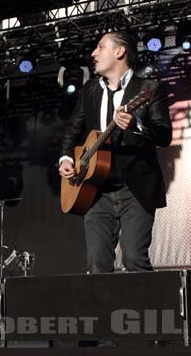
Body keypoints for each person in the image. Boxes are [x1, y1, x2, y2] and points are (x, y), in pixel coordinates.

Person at [59, 30, 172, 273]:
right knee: (97, 265)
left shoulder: (148, 88)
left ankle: (151, 311)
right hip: (95, 191)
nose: (93, 53)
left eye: (100, 47)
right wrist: (67, 157)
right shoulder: (90, 89)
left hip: (135, 189)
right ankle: (108, 312)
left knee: (134, 259)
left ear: (119, 52)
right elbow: (73, 129)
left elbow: (164, 135)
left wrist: (136, 125)